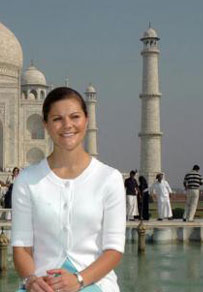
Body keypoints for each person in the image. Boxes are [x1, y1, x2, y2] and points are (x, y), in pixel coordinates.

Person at [12, 87, 126, 292]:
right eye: (57, 119)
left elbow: (114, 249)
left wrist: (78, 280)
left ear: (87, 120)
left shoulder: (109, 178)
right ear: (45, 125)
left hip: (94, 282)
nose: (67, 125)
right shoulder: (27, 180)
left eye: (75, 117)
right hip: (42, 283)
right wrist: (32, 279)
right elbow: (21, 247)